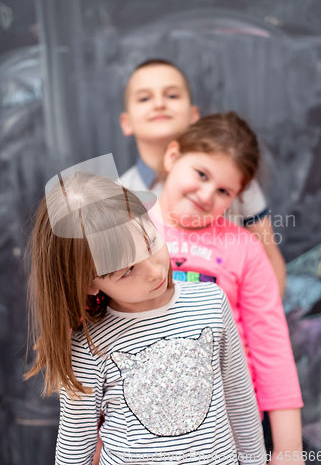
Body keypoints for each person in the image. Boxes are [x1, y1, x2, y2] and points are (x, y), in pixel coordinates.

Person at [25, 169, 266, 465]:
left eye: (151, 242)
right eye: (127, 271)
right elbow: (76, 443)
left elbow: (239, 400)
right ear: (90, 284)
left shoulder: (211, 302)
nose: (154, 272)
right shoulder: (88, 346)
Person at [151, 113, 303, 463]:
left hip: (228, 433)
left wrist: (289, 451)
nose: (206, 195)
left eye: (224, 191)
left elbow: (272, 349)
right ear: (173, 156)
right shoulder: (126, 231)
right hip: (139, 430)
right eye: (201, 174)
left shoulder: (245, 250)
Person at [119, 59, 286, 296]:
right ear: (126, 122)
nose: (158, 104)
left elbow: (270, 261)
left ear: (193, 114)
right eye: (144, 98)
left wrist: (264, 321)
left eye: (172, 96)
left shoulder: (237, 183)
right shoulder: (117, 196)